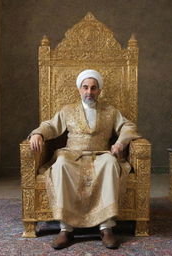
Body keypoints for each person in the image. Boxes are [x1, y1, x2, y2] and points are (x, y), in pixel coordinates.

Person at [29, 69, 140, 249]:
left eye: (93, 88)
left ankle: (106, 228)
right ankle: (65, 229)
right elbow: (51, 126)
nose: (89, 92)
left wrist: (120, 143)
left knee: (111, 163)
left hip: (100, 155)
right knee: (61, 165)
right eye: (85, 87)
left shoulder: (111, 111)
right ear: (79, 89)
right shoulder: (67, 110)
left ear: (99, 90)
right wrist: (38, 133)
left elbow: (128, 126)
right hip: (72, 155)